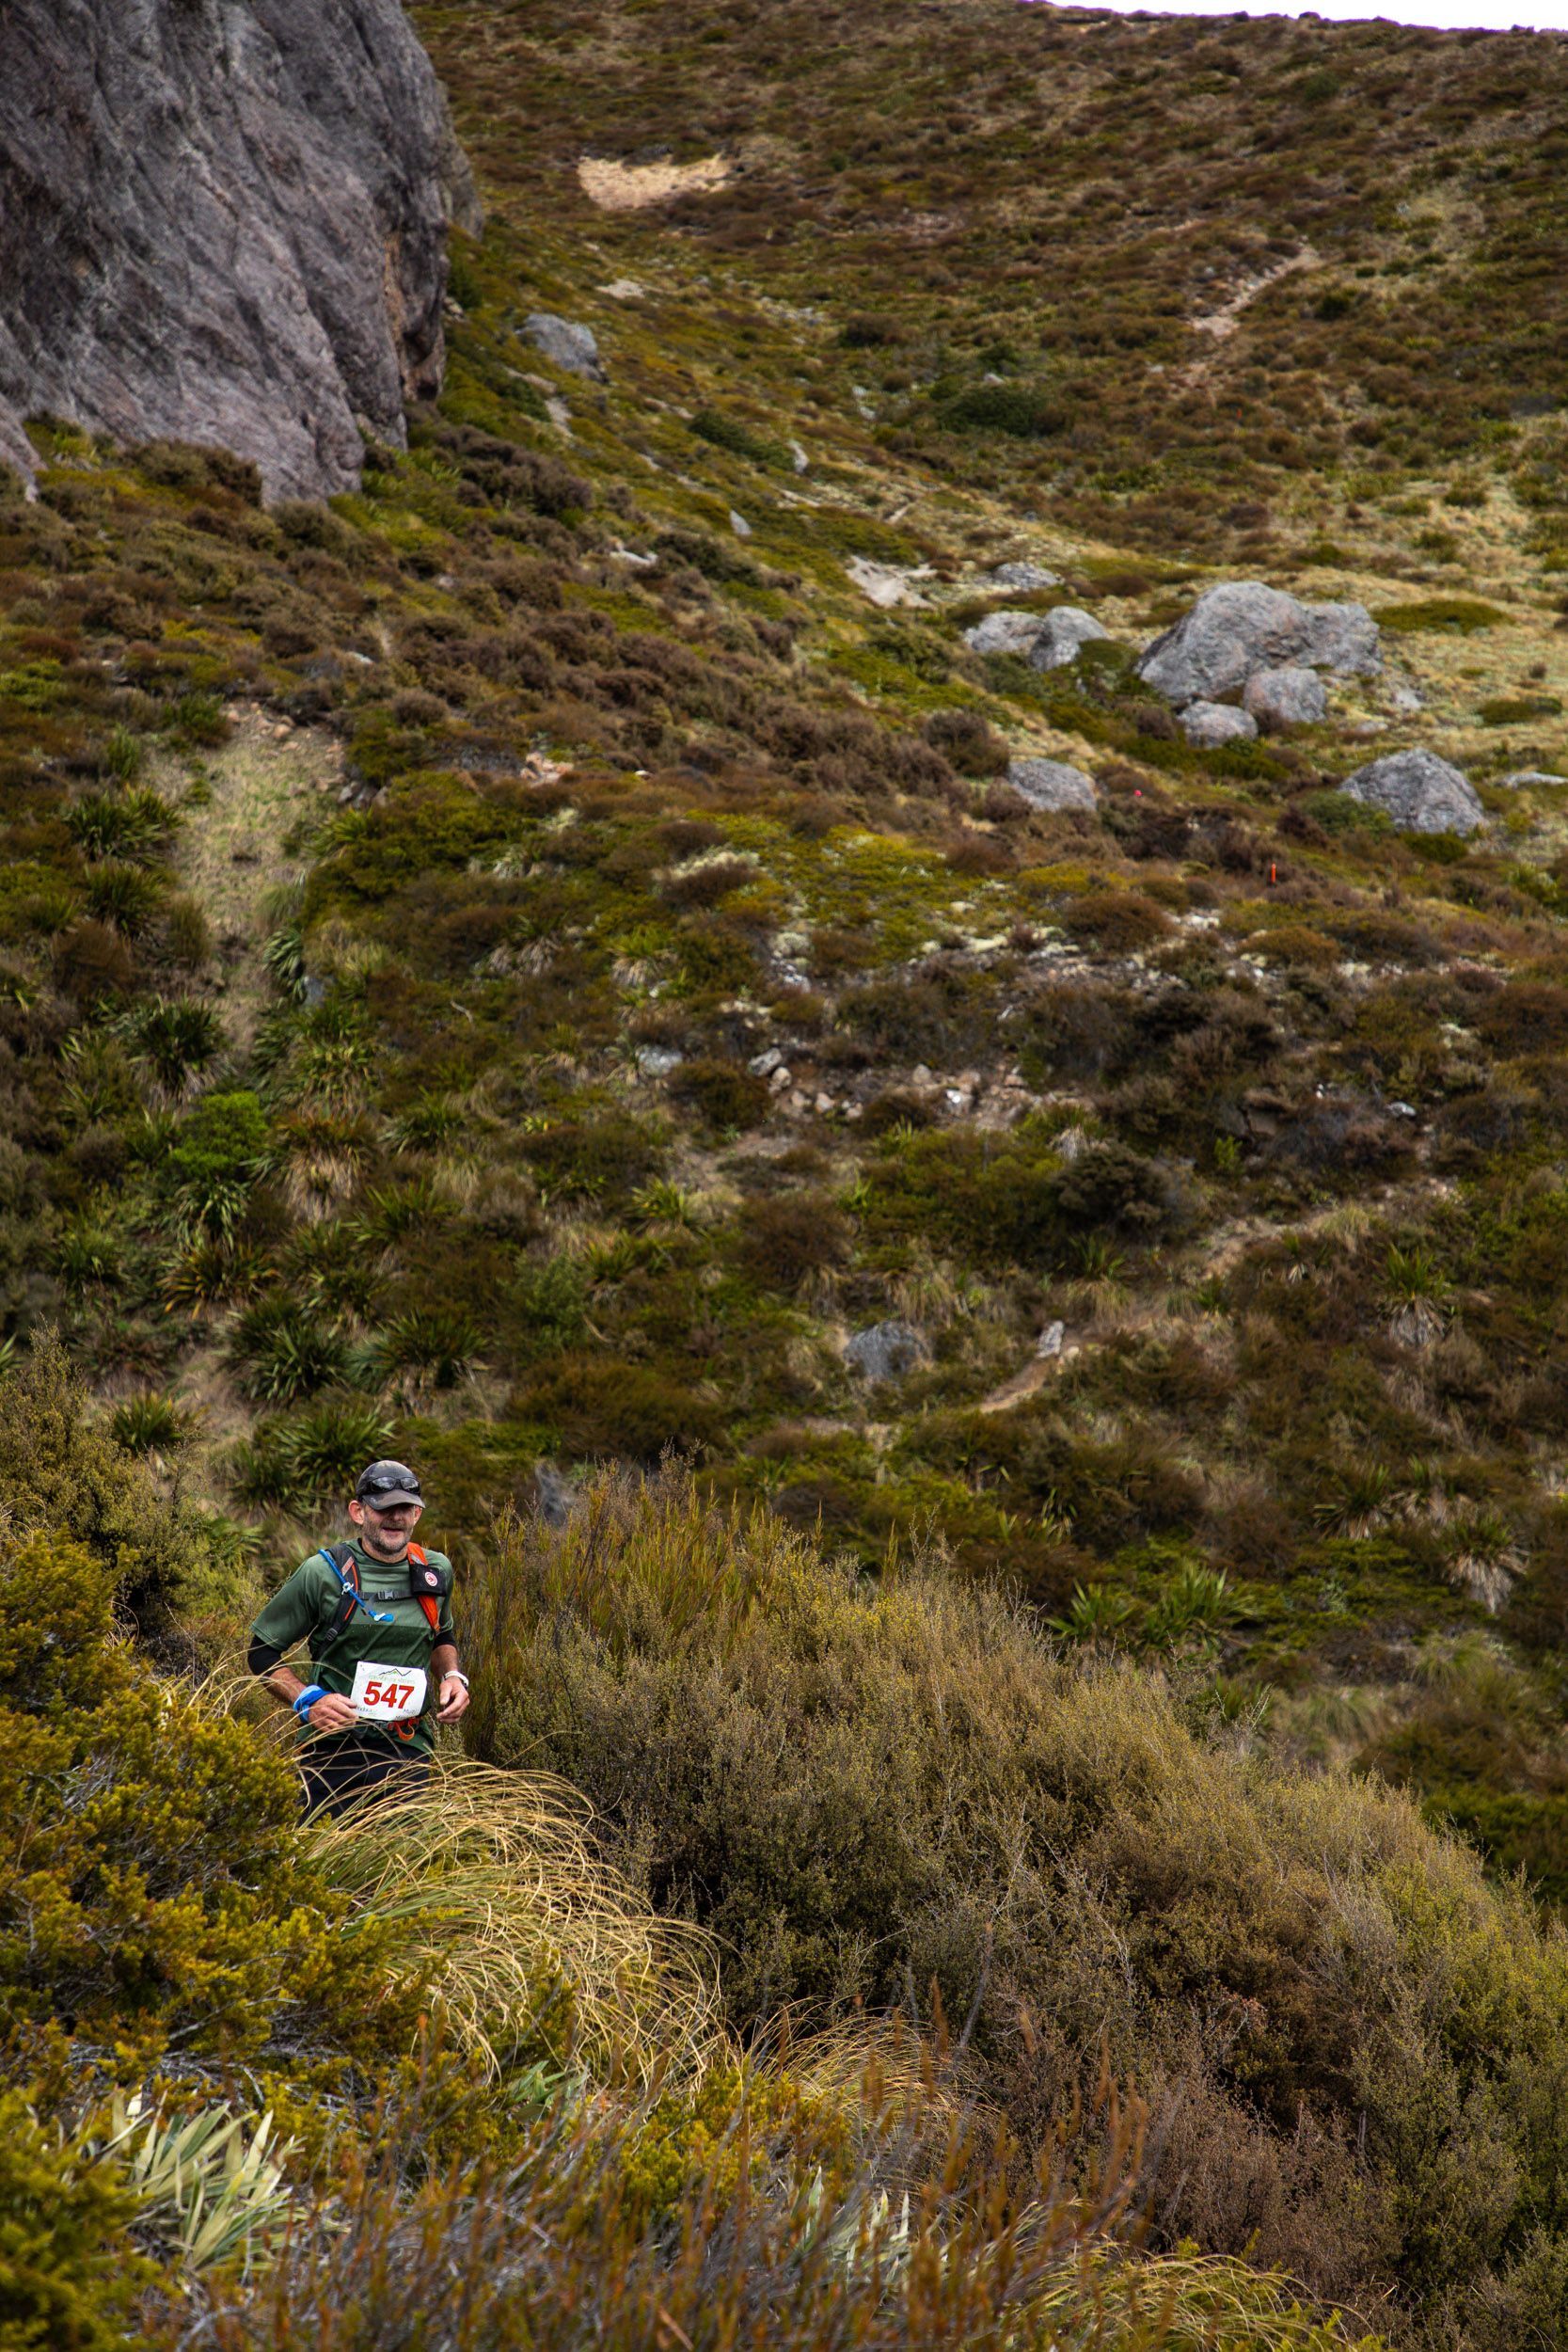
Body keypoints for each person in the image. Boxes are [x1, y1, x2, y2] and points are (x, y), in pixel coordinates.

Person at [247, 1458, 469, 1818]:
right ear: (358, 1512)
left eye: (405, 1508)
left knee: (405, 1852)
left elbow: (442, 1633)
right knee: (321, 1852)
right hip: (330, 1753)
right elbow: (261, 1652)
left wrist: (452, 1677)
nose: (395, 1517)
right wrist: (308, 1700)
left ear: (417, 1514)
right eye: (384, 1508)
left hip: (408, 1753)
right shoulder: (323, 1573)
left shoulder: (435, 1571)